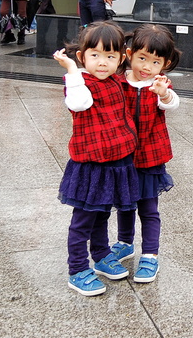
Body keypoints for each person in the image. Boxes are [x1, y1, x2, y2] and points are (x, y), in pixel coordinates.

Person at [53, 21, 139, 296]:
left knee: (103, 213)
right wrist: (71, 71)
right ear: (82, 57)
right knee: (83, 220)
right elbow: (79, 104)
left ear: (121, 58)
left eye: (110, 56)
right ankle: (77, 269)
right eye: (95, 55)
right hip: (91, 164)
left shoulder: (116, 79)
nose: (102, 63)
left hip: (115, 161)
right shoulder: (80, 83)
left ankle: (101, 256)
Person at [110, 24, 181, 283]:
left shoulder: (160, 85)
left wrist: (164, 94)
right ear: (129, 54)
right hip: (123, 155)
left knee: (149, 208)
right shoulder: (119, 80)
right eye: (142, 58)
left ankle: (150, 254)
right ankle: (124, 242)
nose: (147, 67)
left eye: (155, 61)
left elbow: (171, 102)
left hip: (150, 156)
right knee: (124, 205)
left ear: (165, 63)